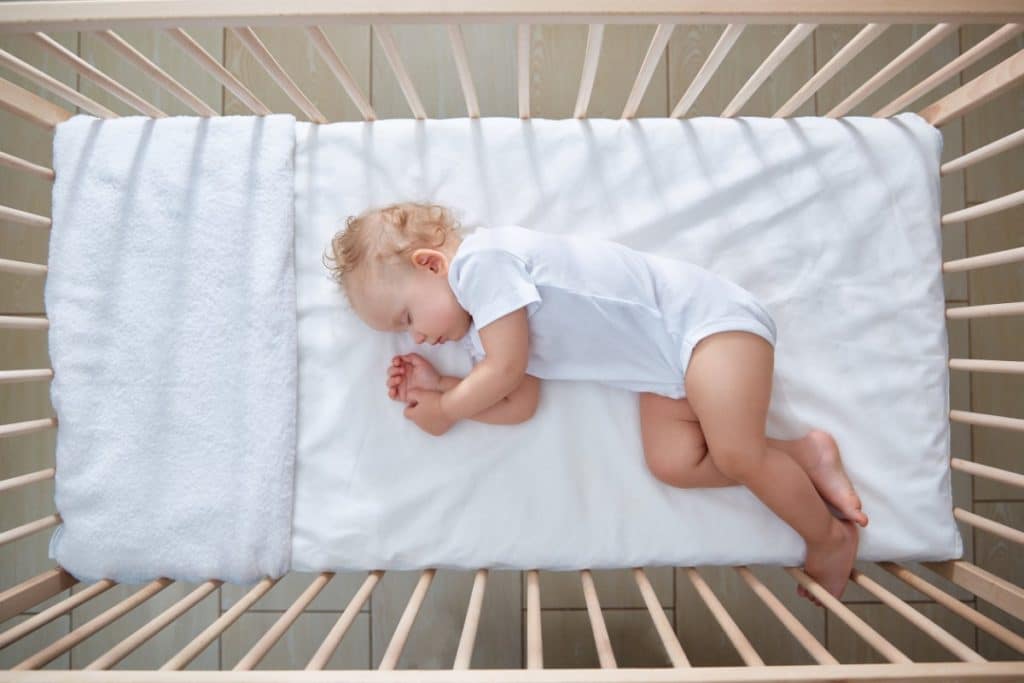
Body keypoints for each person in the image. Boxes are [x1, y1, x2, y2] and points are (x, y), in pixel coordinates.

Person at [324, 200, 868, 601]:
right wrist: (439, 389)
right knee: (675, 463)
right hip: (664, 372)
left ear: (431, 265)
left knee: (735, 455)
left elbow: (507, 371)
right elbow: (518, 401)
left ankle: (827, 536)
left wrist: (448, 409)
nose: (415, 337)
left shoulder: (482, 265)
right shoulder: (480, 336)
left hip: (704, 327)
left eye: (407, 318)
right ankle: (804, 454)